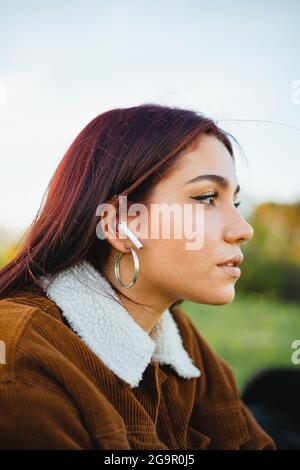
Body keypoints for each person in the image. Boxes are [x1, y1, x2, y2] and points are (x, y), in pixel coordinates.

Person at [0, 104, 276, 450]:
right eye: (207, 198)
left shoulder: (181, 342)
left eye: (234, 204)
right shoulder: (19, 352)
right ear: (119, 225)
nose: (243, 229)